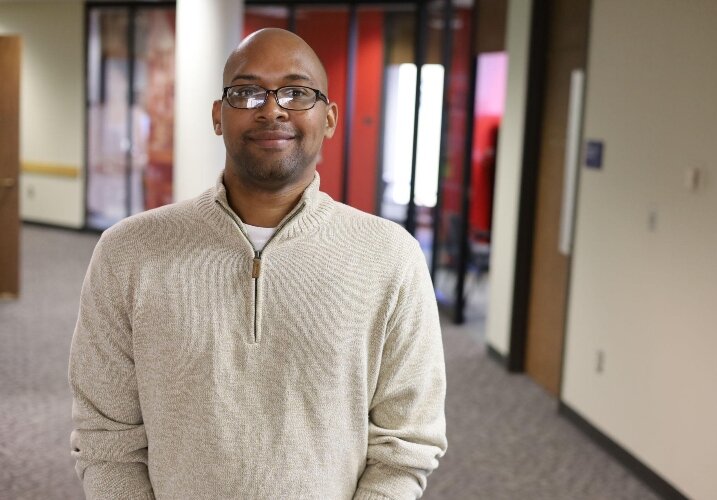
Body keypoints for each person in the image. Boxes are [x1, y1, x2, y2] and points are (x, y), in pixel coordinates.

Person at [69, 28, 447, 500]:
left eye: (296, 93)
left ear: (329, 118)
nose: (272, 110)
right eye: (247, 93)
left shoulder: (390, 256)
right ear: (218, 116)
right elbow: (106, 439)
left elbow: (406, 443)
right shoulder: (128, 252)